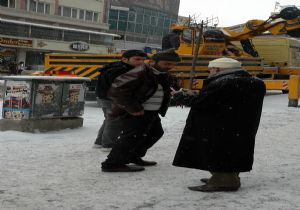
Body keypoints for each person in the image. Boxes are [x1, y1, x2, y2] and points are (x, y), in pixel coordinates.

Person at [173, 57, 266, 192]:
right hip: (241, 124)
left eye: (210, 69)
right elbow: (226, 100)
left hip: (218, 125)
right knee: (233, 151)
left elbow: (203, 103)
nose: (209, 72)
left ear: (217, 69)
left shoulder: (223, 82)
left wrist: (182, 96)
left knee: (218, 151)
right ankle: (227, 177)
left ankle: (224, 181)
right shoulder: (256, 82)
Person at [101, 49, 181, 172]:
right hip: (137, 111)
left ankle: (134, 156)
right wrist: (133, 108)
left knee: (155, 133)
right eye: (166, 64)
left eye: (172, 65)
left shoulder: (161, 74)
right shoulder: (140, 72)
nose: (169, 67)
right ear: (154, 61)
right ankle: (112, 163)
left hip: (151, 111)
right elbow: (116, 90)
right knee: (130, 137)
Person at [94, 50, 148, 149]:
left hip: (106, 97)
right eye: (137, 59)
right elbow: (119, 89)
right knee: (115, 121)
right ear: (124, 59)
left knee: (109, 119)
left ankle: (99, 142)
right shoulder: (120, 70)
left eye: (143, 60)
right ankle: (108, 145)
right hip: (111, 99)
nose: (141, 62)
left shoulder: (119, 67)